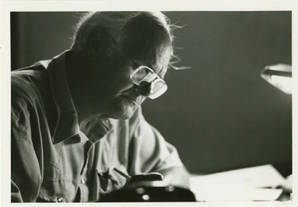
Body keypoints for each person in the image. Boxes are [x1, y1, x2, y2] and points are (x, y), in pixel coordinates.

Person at [11, 11, 190, 202]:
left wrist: (158, 190)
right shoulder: (15, 108)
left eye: (154, 81)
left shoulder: (126, 120)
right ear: (96, 44)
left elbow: (174, 169)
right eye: (142, 71)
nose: (145, 91)